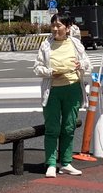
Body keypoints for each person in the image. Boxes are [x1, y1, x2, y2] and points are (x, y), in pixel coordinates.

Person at [33, 12, 89, 178]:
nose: (55, 29)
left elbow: (87, 63)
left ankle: (65, 163)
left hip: (72, 88)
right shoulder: (46, 45)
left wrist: (80, 64)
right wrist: (50, 72)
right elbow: (37, 68)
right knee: (52, 127)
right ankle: (51, 163)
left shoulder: (75, 44)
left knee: (69, 127)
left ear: (68, 27)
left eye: (59, 25)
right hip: (53, 90)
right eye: (53, 26)